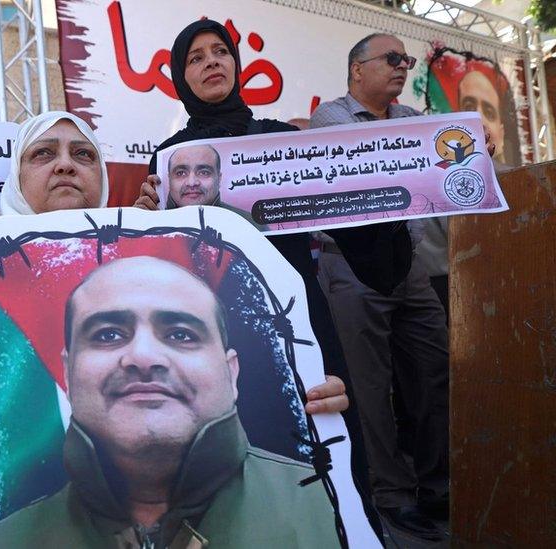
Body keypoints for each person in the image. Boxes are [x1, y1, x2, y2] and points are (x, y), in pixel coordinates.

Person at [0, 110, 351, 547]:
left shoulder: (308, 511)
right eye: (43, 153)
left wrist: (310, 397)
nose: (65, 165)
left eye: (82, 154)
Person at [132, 19, 388, 535]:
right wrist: (147, 218)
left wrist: (407, 180)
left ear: (236, 64)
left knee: (325, 449)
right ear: (182, 77)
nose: (211, 63)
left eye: (220, 51)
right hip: (212, 334)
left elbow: (362, 235)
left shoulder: (280, 141)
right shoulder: (171, 160)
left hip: (297, 322)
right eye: (195, 57)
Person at [0, 256, 341, 548]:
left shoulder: (333, 510)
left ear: (232, 372)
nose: (143, 356)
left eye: (180, 334)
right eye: (109, 334)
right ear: (68, 372)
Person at [309, 33, 457, 540]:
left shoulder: (413, 119)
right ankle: (391, 495)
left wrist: (472, 152)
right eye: (392, 59)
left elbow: (447, 163)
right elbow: (368, 164)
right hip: (349, 263)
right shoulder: (332, 118)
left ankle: (438, 483)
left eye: (406, 60)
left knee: (434, 369)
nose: (402, 67)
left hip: (410, 263)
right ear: (357, 70)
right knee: (369, 384)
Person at [165, 143, 260, 227]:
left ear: (219, 179)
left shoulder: (251, 225)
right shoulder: (153, 218)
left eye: (204, 173)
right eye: (181, 173)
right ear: (169, 179)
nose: (192, 183)